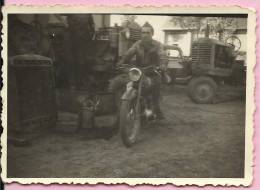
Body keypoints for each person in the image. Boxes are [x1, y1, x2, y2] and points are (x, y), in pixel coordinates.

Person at [109, 22, 167, 119]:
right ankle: (123, 107)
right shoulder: (138, 44)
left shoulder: (158, 45)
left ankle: (155, 110)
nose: (145, 35)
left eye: (148, 33)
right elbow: (129, 53)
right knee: (125, 82)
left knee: (155, 88)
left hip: (153, 71)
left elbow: (163, 55)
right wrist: (121, 62)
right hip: (139, 71)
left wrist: (163, 64)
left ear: (152, 34)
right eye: (143, 33)